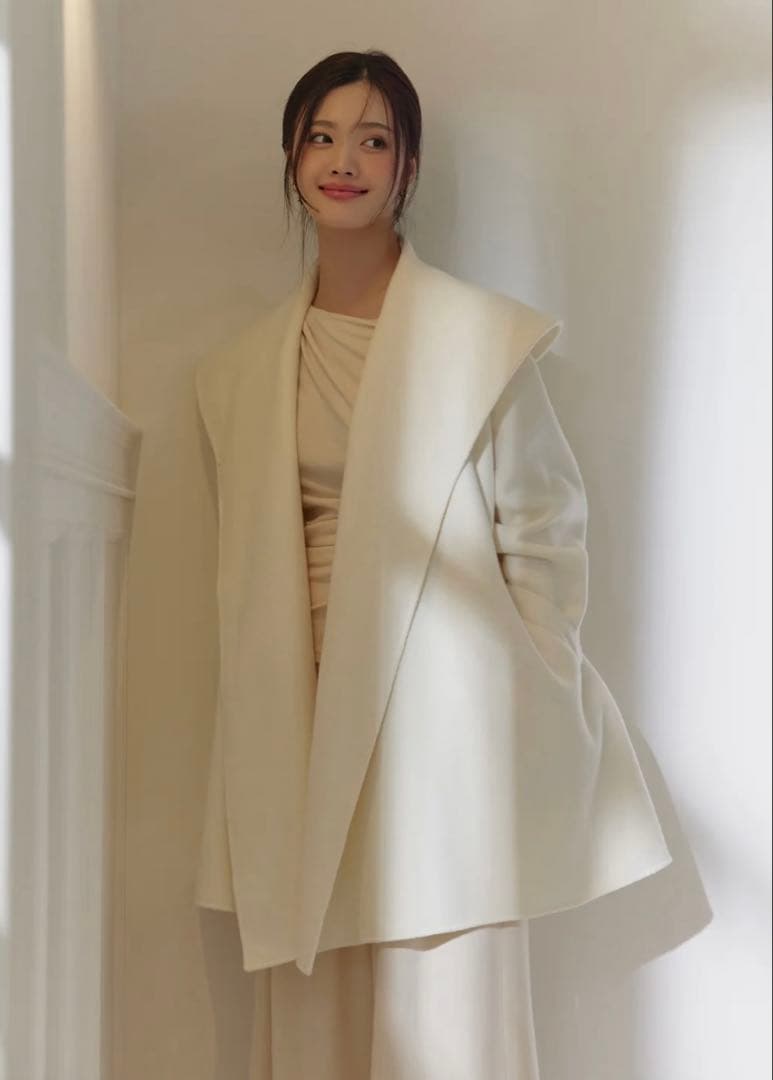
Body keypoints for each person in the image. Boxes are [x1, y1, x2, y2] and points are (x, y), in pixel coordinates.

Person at [193, 49, 672, 1079]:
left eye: (372, 140)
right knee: (316, 1002)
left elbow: (544, 537)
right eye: (321, 136)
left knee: (451, 1013)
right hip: (300, 716)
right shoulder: (240, 372)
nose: (343, 161)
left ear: (407, 167)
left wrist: (513, 686)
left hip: (445, 727)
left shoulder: (478, 340)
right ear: (291, 159)